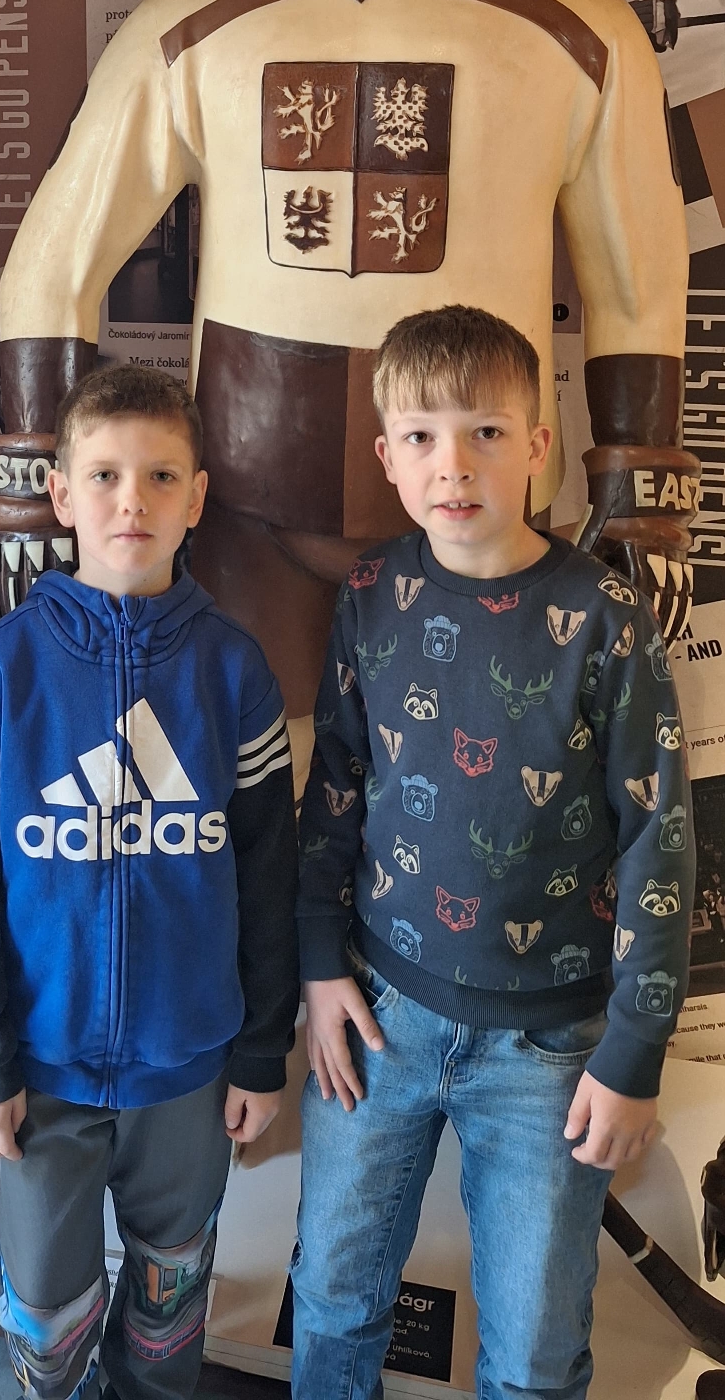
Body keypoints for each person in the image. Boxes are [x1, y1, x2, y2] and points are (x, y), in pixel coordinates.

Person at [0, 0, 696, 794]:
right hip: (242, 501)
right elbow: (54, 261)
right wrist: (31, 481)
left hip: (475, 508)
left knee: (469, 798)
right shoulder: (192, 23)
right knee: (252, 787)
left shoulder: (575, 24)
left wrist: (640, 483)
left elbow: (635, 278)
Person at [291, 305, 695, 1400]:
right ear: (387, 456)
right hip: (378, 1018)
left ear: (538, 447)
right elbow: (335, 786)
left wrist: (633, 1047)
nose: (452, 464)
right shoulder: (371, 594)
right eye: (421, 436)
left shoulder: (606, 619)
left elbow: (658, 839)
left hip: (549, 1052)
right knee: (330, 1302)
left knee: (533, 1356)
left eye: (484, 432)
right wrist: (318, 964)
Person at [0, 364, 299, 1400]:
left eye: (159, 476)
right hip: (40, 1065)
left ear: (196, 497)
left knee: (171, 1293)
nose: (131, 499)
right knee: (46, 1308)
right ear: (59, 494)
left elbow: (269, 872)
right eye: (102, 475)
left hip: (187, 1062)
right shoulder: (3, 671)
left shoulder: (233, 673)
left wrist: (260, 1050)